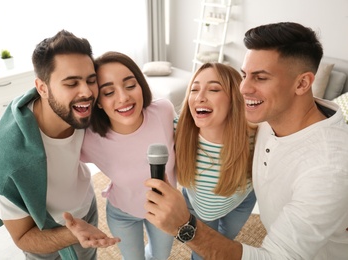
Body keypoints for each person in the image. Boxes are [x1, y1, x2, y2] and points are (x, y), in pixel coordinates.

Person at [144, 21, 348, 259]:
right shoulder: (265, 118)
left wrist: (185, 226)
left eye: (260, 78)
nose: (242, 88)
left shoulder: (327, 167)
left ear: (302, 83)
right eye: (244, 75)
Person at [0, 30, 120, 260]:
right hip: (42, 232)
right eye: (71, 83)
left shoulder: (84, 110)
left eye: (91, 80)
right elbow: (22, 237)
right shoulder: (7, 157)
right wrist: (71, 233)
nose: (87, 92)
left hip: (85, 206)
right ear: (42, 88)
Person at [76, 51, 177, 260]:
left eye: (130, 85)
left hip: (164, 211)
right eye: (109, 92)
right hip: (123, 213)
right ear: (98, 102)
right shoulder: (89, 137)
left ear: (141, 86)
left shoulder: (164, 112)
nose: (123, 98)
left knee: (161, 257)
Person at [174, 62, 257, 260]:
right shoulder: (177, 131)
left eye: (213, 89)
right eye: (194, 89)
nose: (200, 97)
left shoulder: (257, 134)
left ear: (235, 99)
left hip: (242, 200)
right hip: (198, 206)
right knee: (203, 252)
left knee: (224, 243)